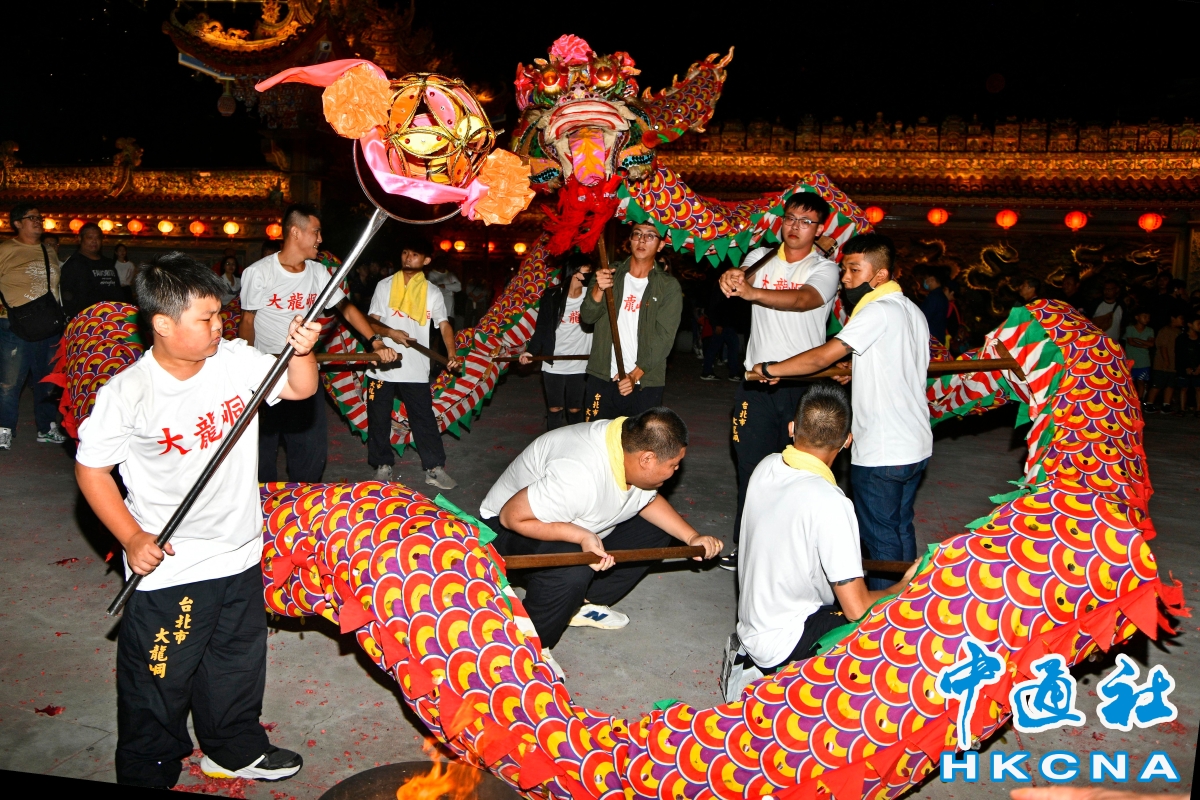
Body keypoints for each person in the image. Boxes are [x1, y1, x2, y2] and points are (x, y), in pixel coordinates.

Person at [74, 253, 316, 787]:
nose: (218, 326)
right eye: (205, 318)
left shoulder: (234, 360)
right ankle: (149, 768)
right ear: (163, 324)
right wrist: (131, 536)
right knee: (159, 678)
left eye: (219, 314)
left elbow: (299, 388)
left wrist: (302, 352)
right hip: (175, 566)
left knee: (236, 663)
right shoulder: (129, 393)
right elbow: (92, 470)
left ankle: (232, 748)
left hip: (241, 549)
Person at [750, 233, 932, 588]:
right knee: (899, 530)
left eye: (854, 270)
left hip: (883, 448)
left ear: (880, 275)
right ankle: (906, 601)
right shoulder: (910, 310)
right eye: (844, 269)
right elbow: (894, 363)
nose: (845, 278)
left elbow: (822, 355)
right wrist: (857, 369)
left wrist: (772, 368)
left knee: (879, 542)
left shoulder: (878, 310)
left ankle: (878, 615)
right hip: (915, 443)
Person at [477, 407, 722, 654]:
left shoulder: (627, 445)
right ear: (647, 459)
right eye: (674, 464)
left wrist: (692, 537)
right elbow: (511, 516)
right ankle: (530, 647)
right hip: (503, 531)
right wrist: (583, 536)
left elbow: (644, 499)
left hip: (566, 518)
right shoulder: (579, 475)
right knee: (573, 565)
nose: (677, 470)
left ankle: (578, 603)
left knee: (656, 530)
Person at [735, 382, 918, 672]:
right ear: (848, 441)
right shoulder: (831, 503)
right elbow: (856, 609)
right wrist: (906, 584)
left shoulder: (766, 466)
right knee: (886, 622)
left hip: (753, 628)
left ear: (792, 428)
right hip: (784, 643)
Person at [716, 192, 840, 571]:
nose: (795, 227)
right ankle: (747, 548)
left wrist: (751, 292)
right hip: (756, 381)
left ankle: (797, 553)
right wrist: (731, 277)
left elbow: (804, 300)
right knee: (751, 469)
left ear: (819, 229)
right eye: (790, 218)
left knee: (802, 470)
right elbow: (742, 277)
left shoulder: (825, 269)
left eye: (805, 221)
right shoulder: (762, 256)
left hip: (802, 387)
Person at [240, 203, 397, 483]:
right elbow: (248, 321)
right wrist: (245, 370)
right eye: (316, 232)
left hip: (304, 370)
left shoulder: (319, 273)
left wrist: (375, 341)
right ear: (295, 232)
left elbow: (347, 309)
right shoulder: (259, 272)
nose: (320, 239)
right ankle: (262, 503)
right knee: (261, 452)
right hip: (267, 372)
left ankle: (302, 500)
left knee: (309, 453)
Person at [365, 238, 461, 489]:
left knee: (423, 418)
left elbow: (444, 324)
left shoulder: (432, 292)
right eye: (405, 252)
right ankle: (382, 464)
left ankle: (434, 468)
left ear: (426, 260)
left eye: (415, 254)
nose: (408, 258)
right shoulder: (385, 285)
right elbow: (370, 322)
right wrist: (391, 333)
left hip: (415, 367)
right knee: (378, 417)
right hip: (381, 366)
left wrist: (451, 353)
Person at [580, 222, 683, 421]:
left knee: (638, 439)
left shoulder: (668, 287)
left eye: (650, 235)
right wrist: (598, 289)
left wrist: (635, 374)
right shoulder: (608, 274)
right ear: (630, 240)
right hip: (602, 375)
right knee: (595, 435)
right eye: (637, 234)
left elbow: (664, 338)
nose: (642, 240)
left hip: (645, 381)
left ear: (661, 245)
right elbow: (588, 317)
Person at [0, 203, 66, 450]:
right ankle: (4, 429)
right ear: (17, 223)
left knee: (47, 380)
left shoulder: (48, 250)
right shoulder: (5, 249)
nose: (38, 221)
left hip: (47, 325)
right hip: (14, 324)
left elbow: (56, 288)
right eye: (31, 218)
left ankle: (46, 428)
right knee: (9, 381)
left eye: (40, 218)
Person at [522, 253, 593, 429]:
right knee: (555, 408)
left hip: (580, 361)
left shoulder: (592, 295)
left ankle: (576, 442)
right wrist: (531, 351)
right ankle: (553, 442)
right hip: (554, 361)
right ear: (574, 272)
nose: (590, 274)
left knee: (575, 409)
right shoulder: (553, 295)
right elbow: (542, 327)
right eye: (587, 271)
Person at [60, 222, 123, 318]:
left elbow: (118, 292)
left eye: (97, 238)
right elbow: (68, 298)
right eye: (90, 237)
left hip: (110, 319)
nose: (94, 241)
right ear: (80, 239)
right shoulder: (73, 264)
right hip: (85, 320)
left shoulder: (108, 263)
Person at [701, 277, 743, 382]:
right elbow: (715, 307)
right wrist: (717, 324)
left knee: (717, 347)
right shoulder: (721, 289)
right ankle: (732, 372)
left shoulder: (725, 288)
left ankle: (709, 371)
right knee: (726, 346)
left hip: (726, 324)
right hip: (723, 325)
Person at [1146, 312, 1183, 414]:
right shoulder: (1165, 330)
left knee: (1170, 385)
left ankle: (1166, 405)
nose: (1182, 320)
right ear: (1173, 318)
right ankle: (1149, 404)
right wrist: (1166, 360)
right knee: (1157, 384)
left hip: (1174, 364)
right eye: (1180, 318)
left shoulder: (1179, 332)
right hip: (1162, 364)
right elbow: (1163, 346)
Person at [1123, 310, 1154, 402]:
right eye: (1144, 317)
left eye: (1148, 317)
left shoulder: (1150, 330)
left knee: (1141, 381)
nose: (1147, 319)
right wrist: (1144, 345)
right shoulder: (1130, 328)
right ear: (1137, 317)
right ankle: (1130, 400)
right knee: (1130, 382)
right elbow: (1130, 342)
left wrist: (1137, 339)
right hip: (1131, 360)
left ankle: (1139, 401)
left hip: (1144, 361)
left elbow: (1151, 344)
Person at [1174, 314, 1200, 416]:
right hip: (1184, 368)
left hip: (1198, 367)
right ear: (1190, 324)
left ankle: (1198, 410)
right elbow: (1179, 354)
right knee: (1183, 388)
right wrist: (1186, 367)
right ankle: (1182, 409)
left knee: (1198, 388)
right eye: (1198, 324)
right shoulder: (1181, 338)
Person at [426, 257, 462, 323]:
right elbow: (435, 289)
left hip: (449, 312)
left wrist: (445, 286)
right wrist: (450, 291)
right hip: (437, 309)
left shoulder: (450, 275)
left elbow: (459, 287)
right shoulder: (432, 274)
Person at [920, 268, 950, 344]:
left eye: (925, 279)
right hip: (937, 338)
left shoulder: (933, 297)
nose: (924, 281)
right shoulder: (941, 296)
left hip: (931, 339)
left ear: (932, 279)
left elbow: (923, 317)